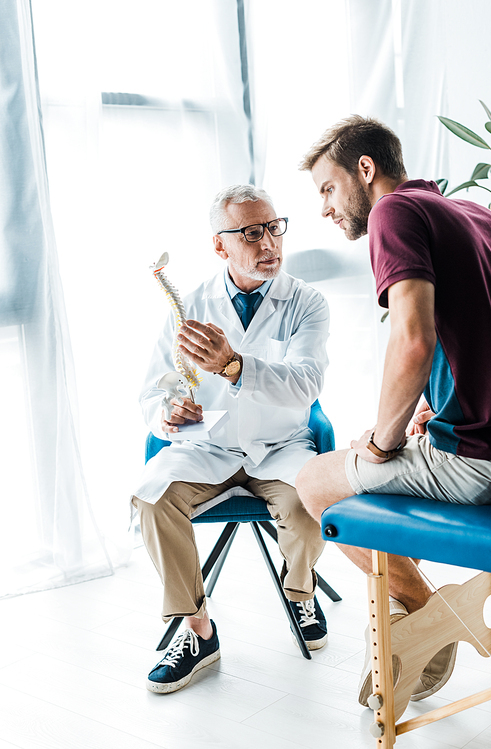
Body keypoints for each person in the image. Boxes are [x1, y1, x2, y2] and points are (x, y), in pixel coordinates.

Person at [296, 115, 491, 706]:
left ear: (366, 169)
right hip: (486, 438)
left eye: (328, 190)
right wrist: (437, 408)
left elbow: (414, 339)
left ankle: (425, 611)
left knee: (315, 482)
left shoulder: (392, 212)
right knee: (368, 455)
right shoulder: (474, 213)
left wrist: (382, 445)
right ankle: (414, 615)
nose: (326, 209)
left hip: (482, 463)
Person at [132, 184, 331, 694]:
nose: (268, 243)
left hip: (280, 447)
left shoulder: (306, 303)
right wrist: (169, 414)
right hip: (208, 445)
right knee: (152, 499)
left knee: (309, 513)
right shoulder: (191, 305)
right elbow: (155, 388)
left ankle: (300, 591)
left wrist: (234, 366)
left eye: (273, 227)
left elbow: (307, 384)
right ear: (220, 246)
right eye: (249, 233)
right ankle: (198, 631)